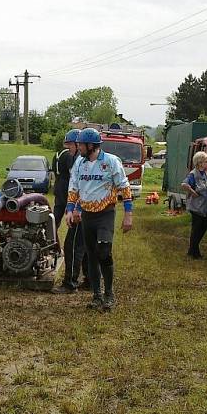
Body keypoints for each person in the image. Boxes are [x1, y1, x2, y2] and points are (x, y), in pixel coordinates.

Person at [65, 127, 133, 311]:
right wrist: (71, 210)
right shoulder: (79, 162)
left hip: (105, 212)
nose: (77, 147)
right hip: (87, 214)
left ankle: (109, 294)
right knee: (91, 255)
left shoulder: (111, 161)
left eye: (80, 144)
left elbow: (124, 188)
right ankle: (96, 295)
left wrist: (128, 214)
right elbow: (74, 188)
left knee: (104, 252)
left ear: (91, 145)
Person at [52, 129, 89, 294]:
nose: (69, 148)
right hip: (84, 210)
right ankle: (90, 280)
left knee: (72, 246)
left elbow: (81, 189)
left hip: (81, 211)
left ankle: (70, 283)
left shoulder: (81, 163)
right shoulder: (80, 161)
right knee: (86, 246)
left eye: (72, 145)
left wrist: (75, 209)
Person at [181, 151, 207, 259]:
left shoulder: (204, 173)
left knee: (202, 229)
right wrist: (193, 192)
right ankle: (194, 252)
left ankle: (192, 250)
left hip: (205, 207)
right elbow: (184, 184)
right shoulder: (193, 174)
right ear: (199, 163)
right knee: (197, 229)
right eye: (206, 161)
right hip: (197, 207)